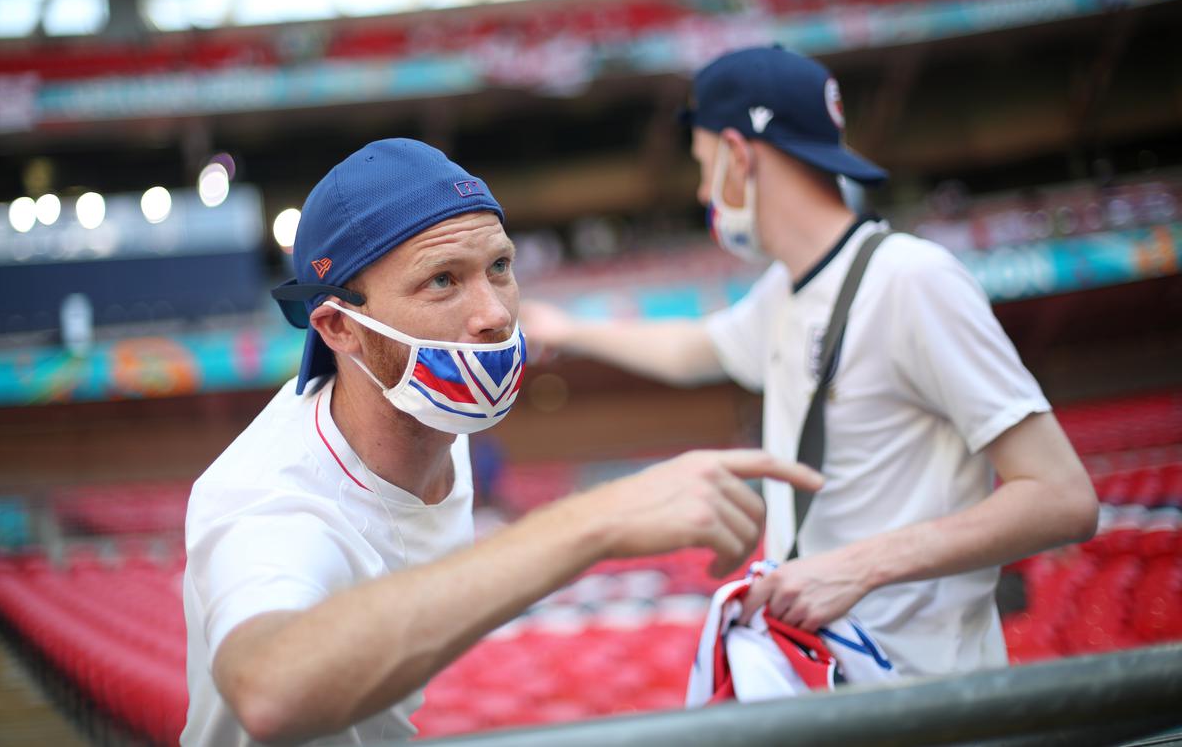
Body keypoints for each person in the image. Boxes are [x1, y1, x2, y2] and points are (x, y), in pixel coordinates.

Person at [180, 138, 822, 746]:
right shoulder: (273, 498)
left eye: (500, 267)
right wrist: (595, 520)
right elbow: (268, 691)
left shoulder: (438, 426)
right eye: (442, 280)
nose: (494, 313)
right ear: (338, 329)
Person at [520, 46, 1099, 678]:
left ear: (739, 156)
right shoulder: (783, 290)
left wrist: (859, 564)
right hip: (831, 681)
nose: (701, 189)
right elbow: (692, 351)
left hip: (929, 698)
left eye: (704, 164)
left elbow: (1062, 497)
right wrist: (566, 328)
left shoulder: (912, 278)